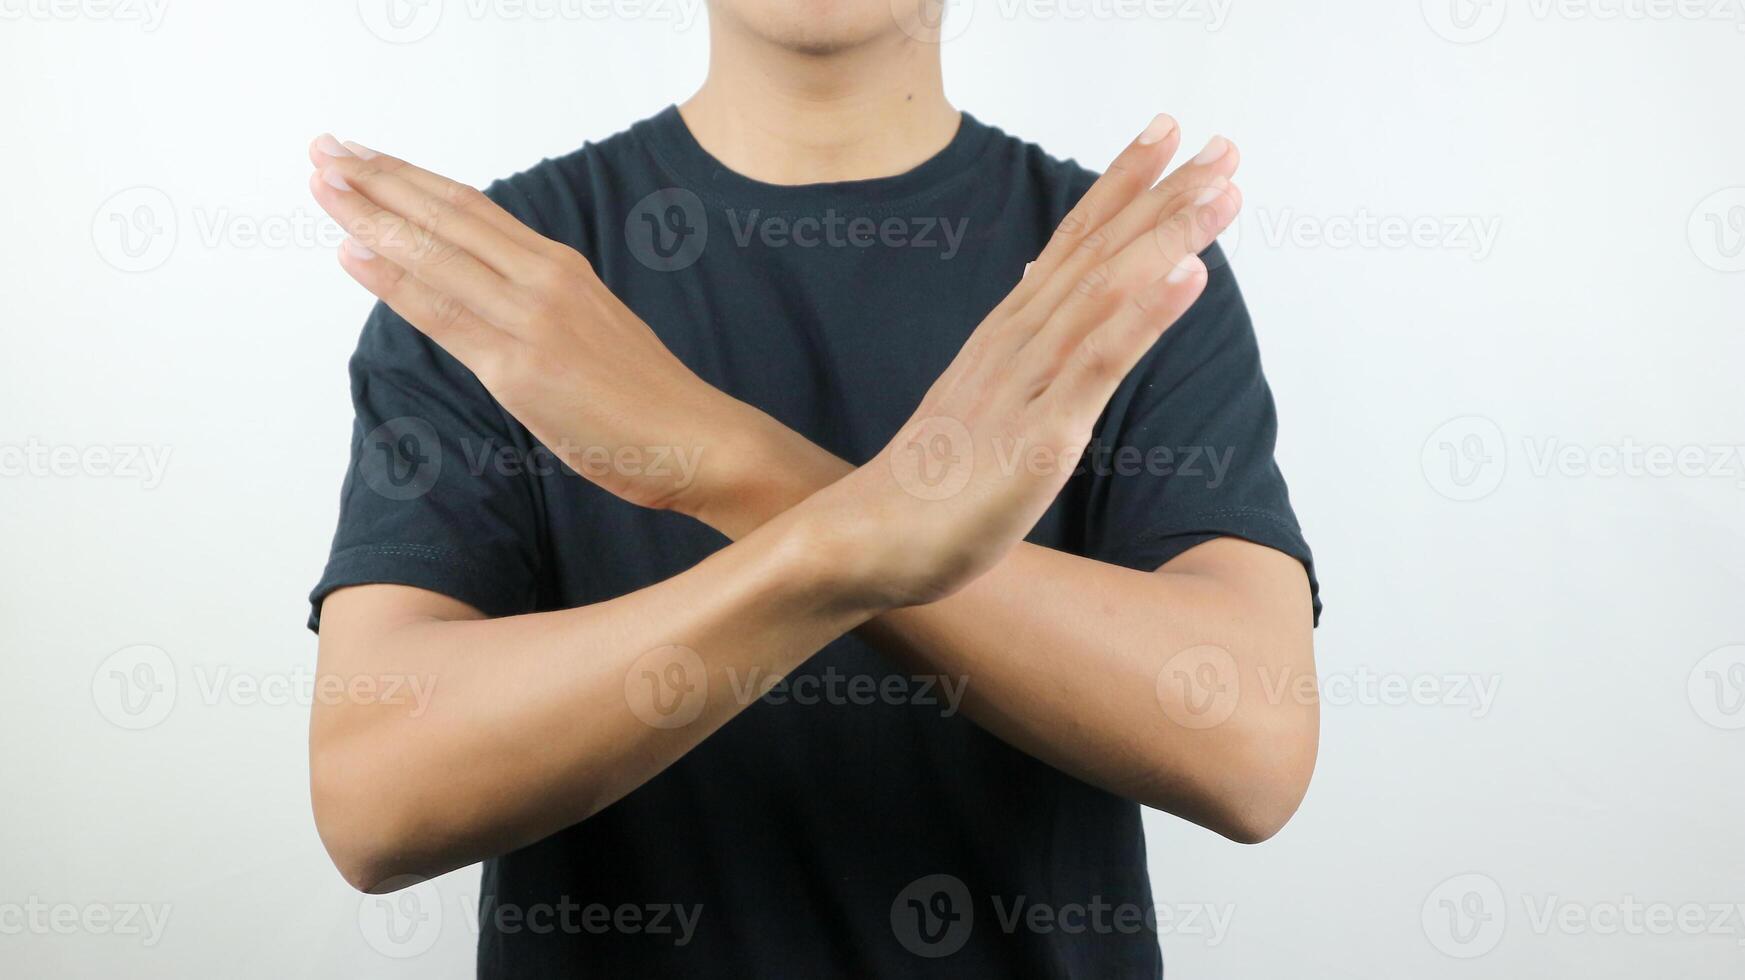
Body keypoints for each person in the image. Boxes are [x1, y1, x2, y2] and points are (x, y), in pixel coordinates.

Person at [304, 0, 1322, 975]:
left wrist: (720, 456)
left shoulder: (1110, 277)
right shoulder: (508, 294)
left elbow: (1250, 744)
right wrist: (861, 535)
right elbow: (375, 793)